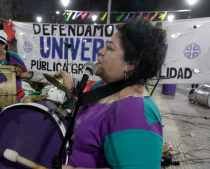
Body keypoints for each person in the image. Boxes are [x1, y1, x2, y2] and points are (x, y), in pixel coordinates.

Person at [58, 19, 166, 169]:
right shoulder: (105, 86)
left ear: (131, 64)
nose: (101, 51)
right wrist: (71, 91)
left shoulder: (133, 112)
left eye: (110, 48)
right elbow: (82, 120)